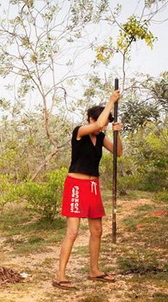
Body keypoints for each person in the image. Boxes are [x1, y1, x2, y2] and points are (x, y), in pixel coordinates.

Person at [53, 90, 124, 290]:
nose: (103, 126)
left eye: (107, 123)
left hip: (93, 185)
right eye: (100, 121)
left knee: (97, 230)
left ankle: (94, 270)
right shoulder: (80, 131)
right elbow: (99, 124)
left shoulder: (100, 137)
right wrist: (111, 101)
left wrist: (118, 133)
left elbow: (118, 152)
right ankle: (60, 275)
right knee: (73, 232)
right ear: (90, 119)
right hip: (76, 184)